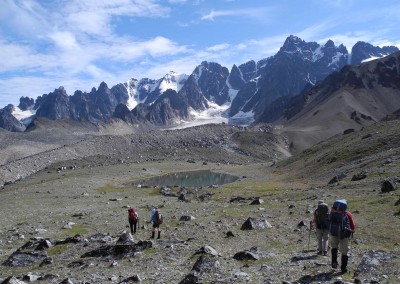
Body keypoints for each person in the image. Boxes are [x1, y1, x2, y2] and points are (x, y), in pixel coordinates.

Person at [329, 199, 356, 274]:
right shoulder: (348, 214)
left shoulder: (332, 212)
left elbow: (329, 220)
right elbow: (352, 225)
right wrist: (352, 230)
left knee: (334, 247)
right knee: (344, 252)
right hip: (344, 235)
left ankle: (334, 262)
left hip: (333, 233)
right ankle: (343, 268)